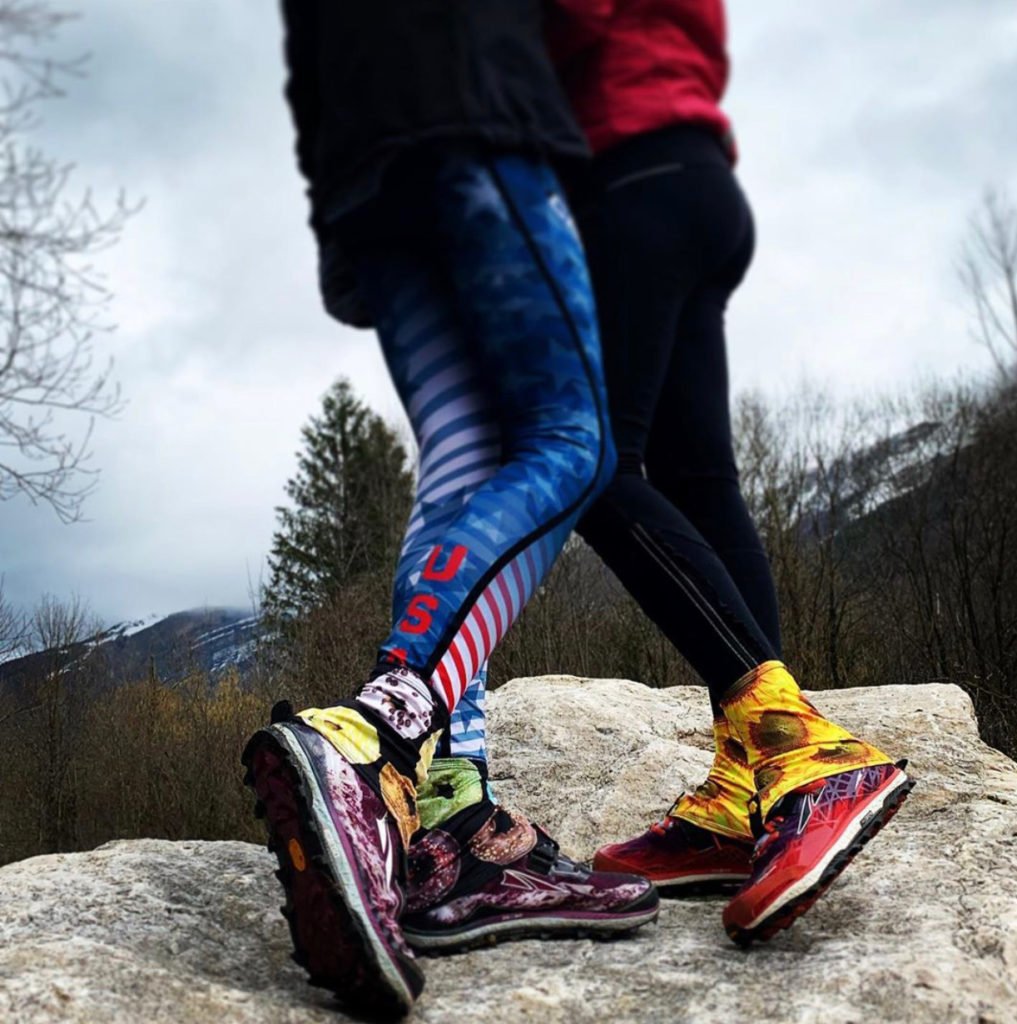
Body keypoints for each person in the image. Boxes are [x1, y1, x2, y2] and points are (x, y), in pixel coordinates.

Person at [427, 0, 913, 949]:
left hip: (629, 177)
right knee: (698, 476)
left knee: (585, 461)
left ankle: (798, 750)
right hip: (694, 181)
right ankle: (749, 790)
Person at [243, 1, 659, 1017]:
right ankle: (378, 733)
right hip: (474, 104)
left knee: (464, 460)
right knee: (578, 440)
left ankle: (448, 829)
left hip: (360, 164)